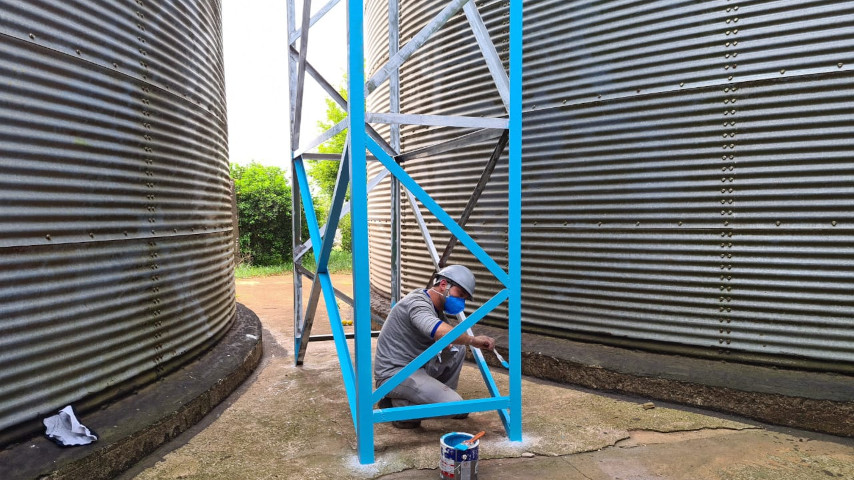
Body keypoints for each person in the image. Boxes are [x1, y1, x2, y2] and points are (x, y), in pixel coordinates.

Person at [374, 265, 495, 429]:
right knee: (456, 406)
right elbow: (440, 331)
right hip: (395, 374)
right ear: (444, 285)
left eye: (464, 298)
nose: (461, 302)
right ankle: (398, 406)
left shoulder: (436, 310)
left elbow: (449, 337)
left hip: (417, 367)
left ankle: (439, 398)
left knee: (457, 348)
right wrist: (472, 340)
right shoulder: (417, 304)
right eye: (460, 295)